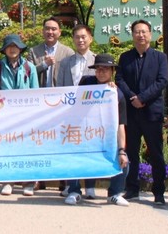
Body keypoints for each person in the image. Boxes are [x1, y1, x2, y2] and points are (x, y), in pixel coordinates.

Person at [117, 20, 168, 205]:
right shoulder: (125, 57)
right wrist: (133, 98)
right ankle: (131, 189)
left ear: (150, 34)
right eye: (137, 32)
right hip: (131, 112)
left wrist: (143, 98)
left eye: (144, 32)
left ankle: (159, 192)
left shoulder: (160, 57)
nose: (141, 35)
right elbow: (120, 79)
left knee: (156, 153)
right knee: (131, 152)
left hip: (151, 112)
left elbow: (162, 81)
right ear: (132, 35)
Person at [72, 54, 130, 206]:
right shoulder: (86, 82)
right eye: (98, 68)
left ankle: (114, 193)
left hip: (105, 140)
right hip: (84, 135)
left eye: (105, 69)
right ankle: (74, 191)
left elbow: (120, 125)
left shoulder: (117, 94)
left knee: (124, 160)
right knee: (72, 154)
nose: (101, 72)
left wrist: (122, 150)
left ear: (112, 72)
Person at [0, 34, 38, 196]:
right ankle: (8, 181)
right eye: (9, 46)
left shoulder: (29, 67)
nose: (12, 49)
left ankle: (28, 182)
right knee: (8, 148)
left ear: (20, 48)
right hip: (5, 115)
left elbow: (35, 92)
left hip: (25, 114)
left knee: (27, 147)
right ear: (5, 49)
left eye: (15, 46)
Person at [58, 24, 98, 202]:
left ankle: (90, 185)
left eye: (84, 37)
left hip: (91, 112)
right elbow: (60, 87)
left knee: (90, 147)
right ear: (73, 39)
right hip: (70, 112)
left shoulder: (98, 61)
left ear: (90, 38)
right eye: (77, 37)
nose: (80, 40)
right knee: (71, 147)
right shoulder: (65, 62)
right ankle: (71, 185)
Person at [27, 17, 74, 88]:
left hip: (61, 94)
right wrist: (44, 64)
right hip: (39, 94)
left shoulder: (68, 52)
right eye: (47, 28)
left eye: (53, 29)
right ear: (43, 31)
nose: (50, 32)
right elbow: (28, 73)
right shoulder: (33, 51)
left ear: (59, 32)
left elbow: (73, 75)